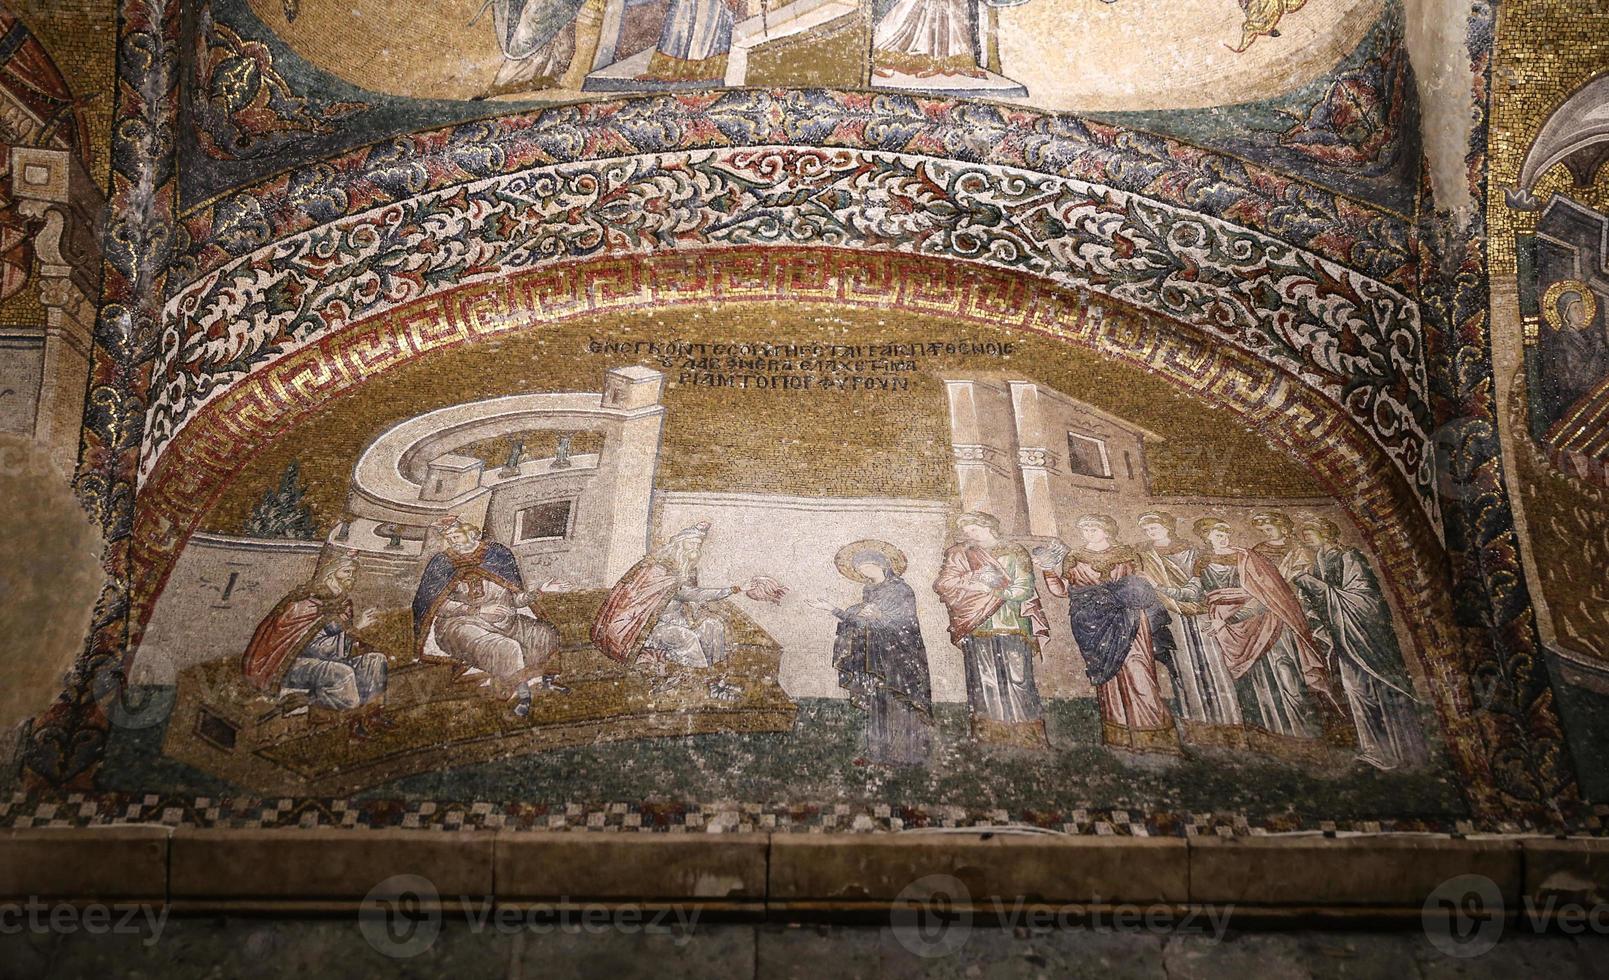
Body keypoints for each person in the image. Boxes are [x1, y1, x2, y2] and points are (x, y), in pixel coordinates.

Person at [1161, 518, 1337, 740]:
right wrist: (1159, 588)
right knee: (1250, 682)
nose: (1223, 537)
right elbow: (1192, 593)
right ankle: (1268, 735)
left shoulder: (1249, 558)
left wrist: (1231, 618)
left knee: (1285, 674)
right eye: (1217, 534)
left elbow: (1267, 597)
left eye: (1224, 532)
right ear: (1206, 538)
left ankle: (1305, 731)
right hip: (1229, 631)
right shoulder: (1203, 562)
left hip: (1265, 624)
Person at [592, 521, 786, 699]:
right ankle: (702, 682)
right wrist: (735, 589)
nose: (695, 551)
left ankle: (716, 682)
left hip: (678, 622)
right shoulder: (659, 569)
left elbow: (692, 600)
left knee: (713, 625)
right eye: (691, 545)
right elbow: (690, 594)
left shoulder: (685, 570)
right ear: (679, 545)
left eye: (697, 547)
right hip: (648, 630)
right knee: (686, 637)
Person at [1293, 519, 1429, 770]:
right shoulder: (1319, 563)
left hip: (1366, 638)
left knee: (1383, 688)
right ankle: (1375, 750)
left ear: (1325, 532)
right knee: (1356, 689)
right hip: (1343, 638)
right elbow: (1319, 600)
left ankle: (1405, 751)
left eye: (1310, 531)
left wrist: (1312, 584)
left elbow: (1364, 599)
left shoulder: (1349, 556)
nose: (1306, 537)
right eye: (1304, 534)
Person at [1040, 515, 1179, 753]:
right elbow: (1063, 590)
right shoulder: (1074, 558)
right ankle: (1120, 738)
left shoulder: (1127, 554)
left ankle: (1153, 735)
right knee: (1110, 679)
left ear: (1107, 531)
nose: (1088, 533)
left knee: (1139, 670)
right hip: (1094, 623)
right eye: (1084, 529)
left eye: (1093, 529)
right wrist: (1048, 570)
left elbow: (1141, 585)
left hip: (1130, 619)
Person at [413, 516, 568, 717]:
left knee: (545, 633)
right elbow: (437, 606)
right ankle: (522, 694)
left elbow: (516, 599)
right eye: (449, 538)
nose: (453, 541)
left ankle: (546, 682)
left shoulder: (498, 556)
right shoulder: (442, 563)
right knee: (506, 648)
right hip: (460, 624)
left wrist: (541, 591)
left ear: (470, 532)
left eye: (456, 535)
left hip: (505, 621)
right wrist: (477, 611)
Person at [807, 540, 933, 766]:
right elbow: (861, 621)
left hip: (900, 656)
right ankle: (878, 753)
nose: (863, 572)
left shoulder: (901, 590)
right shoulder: (869, 591)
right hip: (876, 656)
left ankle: (905, 754)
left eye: (867, 567)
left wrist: (875, 616)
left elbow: (903, 623)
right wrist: (835, 610)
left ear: (882, 565)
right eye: (859, 569)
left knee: (899, 701)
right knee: (878, 702)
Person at [933, 511, 1051, 747]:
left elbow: (1024, 589)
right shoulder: (964, 553)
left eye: (974, 529)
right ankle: (990, 736)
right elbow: (943, 584)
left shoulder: (1014, 551)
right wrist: (974, 579)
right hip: (977, 624)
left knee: (1018, 678)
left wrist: (994, 591)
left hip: (1012, 624)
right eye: (967, 531)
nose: (970, 534)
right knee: (984, 679)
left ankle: (1027, 735)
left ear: (988, 527)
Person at [241, 552, 391, 738]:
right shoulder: (305, 604)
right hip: (293, 665)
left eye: (353, 573)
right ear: (331, 573)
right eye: (346, 572)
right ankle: (310, 703)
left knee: (376, 661)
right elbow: (311, 647)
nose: (351, 577)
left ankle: (371, 716)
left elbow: (340, 652)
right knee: (343, 675)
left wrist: (355, 634)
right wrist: (358, 627)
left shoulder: (343, 604)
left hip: (325, 663)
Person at [1135, 511, 1240, 729]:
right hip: (1171, 614)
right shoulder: (1145, 554)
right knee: (1183, 667)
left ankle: (1229, 721)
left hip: (1202, 612)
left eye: (1154, 527)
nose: (1149, 531)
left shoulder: (1194, 551)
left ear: (1167, 526)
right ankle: (1196, 722)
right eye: (1146, 529)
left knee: (1214, 663)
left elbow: (1200, 586)